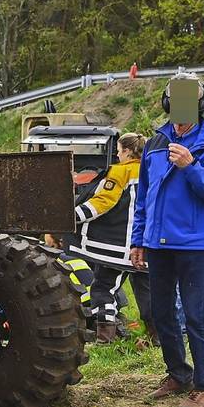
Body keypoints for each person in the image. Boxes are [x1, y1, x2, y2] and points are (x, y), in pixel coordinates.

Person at [130, 73, 204, 407]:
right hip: (157, 244)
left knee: (195, 315)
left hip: (194, 245)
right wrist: (138, 240)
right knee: (161, 314)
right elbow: (143, 196)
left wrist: (191, 167)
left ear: (200, 104)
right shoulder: (154, 144)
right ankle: (178, 374)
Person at [66, 133, 152, 344]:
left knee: (103, 288)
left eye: (119, 151)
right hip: (149, 245)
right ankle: (157, 335)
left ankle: (105, 336)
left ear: (128, 152)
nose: (117, 155)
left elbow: (102, 202)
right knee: (149, 292)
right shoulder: (154, 170)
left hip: (117, 248)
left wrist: (70, 216)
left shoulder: (120, 172)